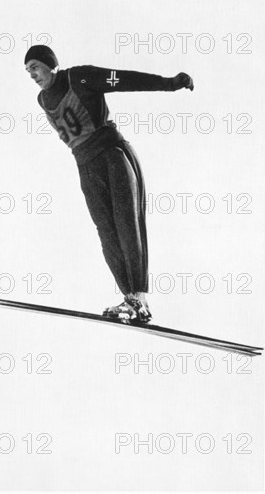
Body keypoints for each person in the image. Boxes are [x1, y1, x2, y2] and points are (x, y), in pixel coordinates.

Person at [24, 45, 194, 322]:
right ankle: (130, 299)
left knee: (127, 223)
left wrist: (169, 84)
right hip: (86, 166)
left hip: (112, 156)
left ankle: (139, 296)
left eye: (35, 66)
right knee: (106, 232)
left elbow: (125, 79)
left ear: (50, 64)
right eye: (28, 70)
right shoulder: (42, 99)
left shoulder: (78, 77)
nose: (31, 74)